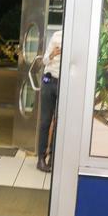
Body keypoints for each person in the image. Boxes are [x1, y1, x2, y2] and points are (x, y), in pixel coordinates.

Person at [36, 30, 62, 172]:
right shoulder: (57, 35)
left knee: (60, 121)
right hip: (49, 81)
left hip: (65, 84)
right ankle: (41, 158)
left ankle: (53, 157)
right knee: (46, 121)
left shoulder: (77, 37)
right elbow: (45, 60)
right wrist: (53, 54)